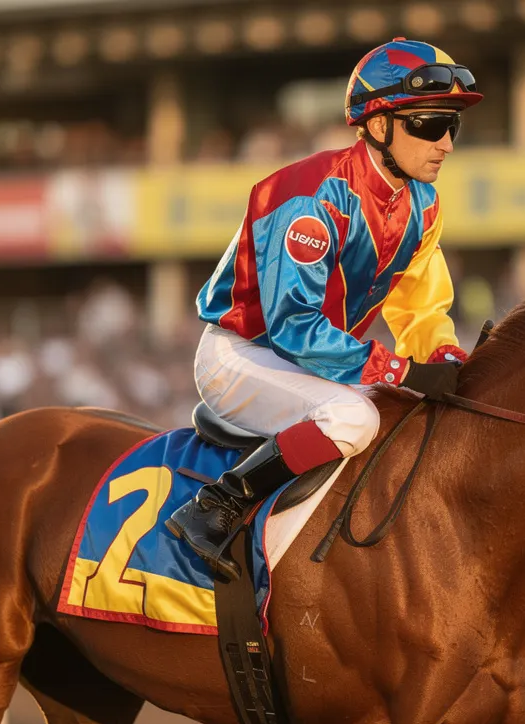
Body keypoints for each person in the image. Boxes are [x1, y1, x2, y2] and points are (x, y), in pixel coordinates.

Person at [166, 38, 483, 579]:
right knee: (354, 417)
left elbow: (421, 308)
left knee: (404, 416)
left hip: (314, 361)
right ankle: (217, 505)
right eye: (430, 124)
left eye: (452, 125)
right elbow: (293, 325)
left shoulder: (423, 204)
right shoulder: (311, 195)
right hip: (242, 354)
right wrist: (400, 370)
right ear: (378, 125)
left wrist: (444, 356)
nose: (446, 143)